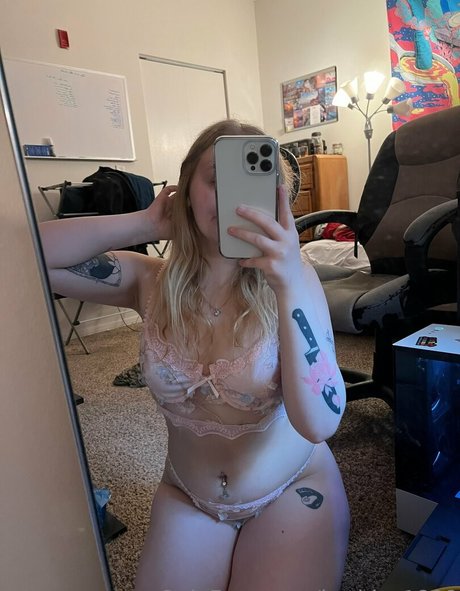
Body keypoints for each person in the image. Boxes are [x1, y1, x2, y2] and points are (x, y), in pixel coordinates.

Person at [40, 119, 350, 591]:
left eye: (250, 183)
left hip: (292, 488)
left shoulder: (294, 280)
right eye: (216, 180)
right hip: (188, 497)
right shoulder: (148, 280)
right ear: (187, 189)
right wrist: (145, 222)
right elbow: (26, 252)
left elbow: (320, 423)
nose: (233, 200)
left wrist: (287, 281)